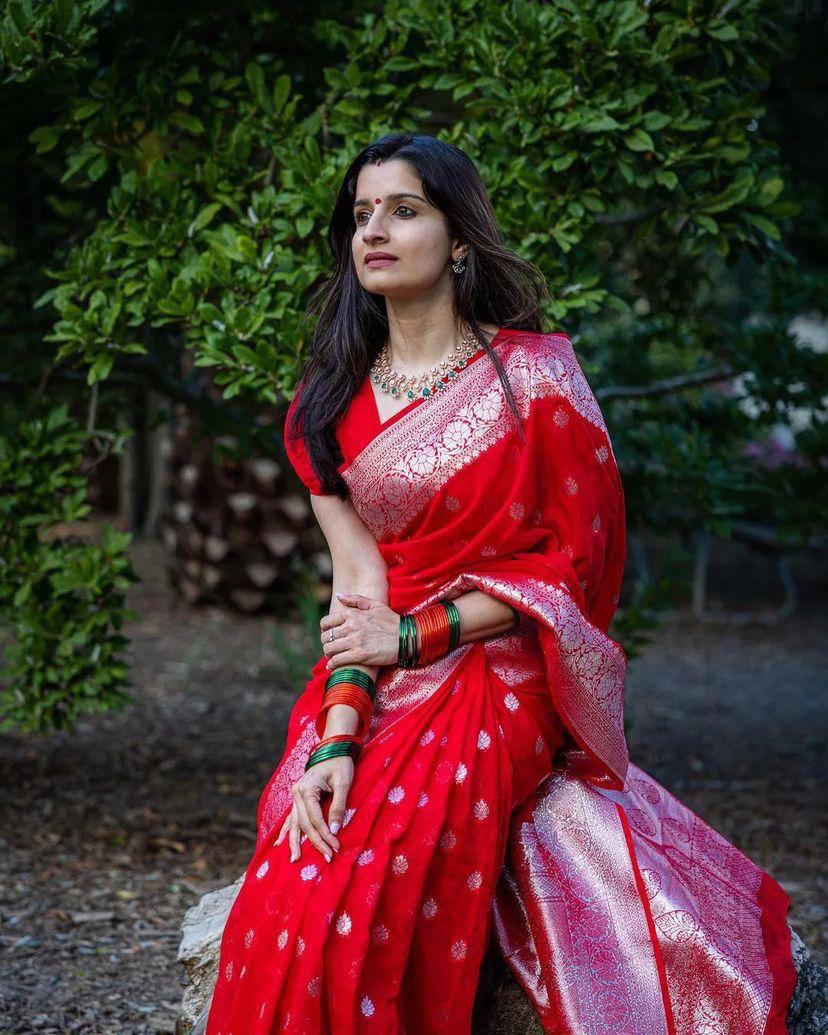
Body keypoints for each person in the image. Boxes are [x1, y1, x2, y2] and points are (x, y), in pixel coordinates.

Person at [204, 133, 796, 1034]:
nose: (376, 229)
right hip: (377, 673)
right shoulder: (326, 404)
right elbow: (358, 586)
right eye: (362, 214)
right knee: (297, 874)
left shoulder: (536, 378)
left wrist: (413, 638)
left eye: (404, 210)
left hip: (500, 663)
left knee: (375, 871)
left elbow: (574, 567)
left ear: (460, 240)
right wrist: (336, 736)